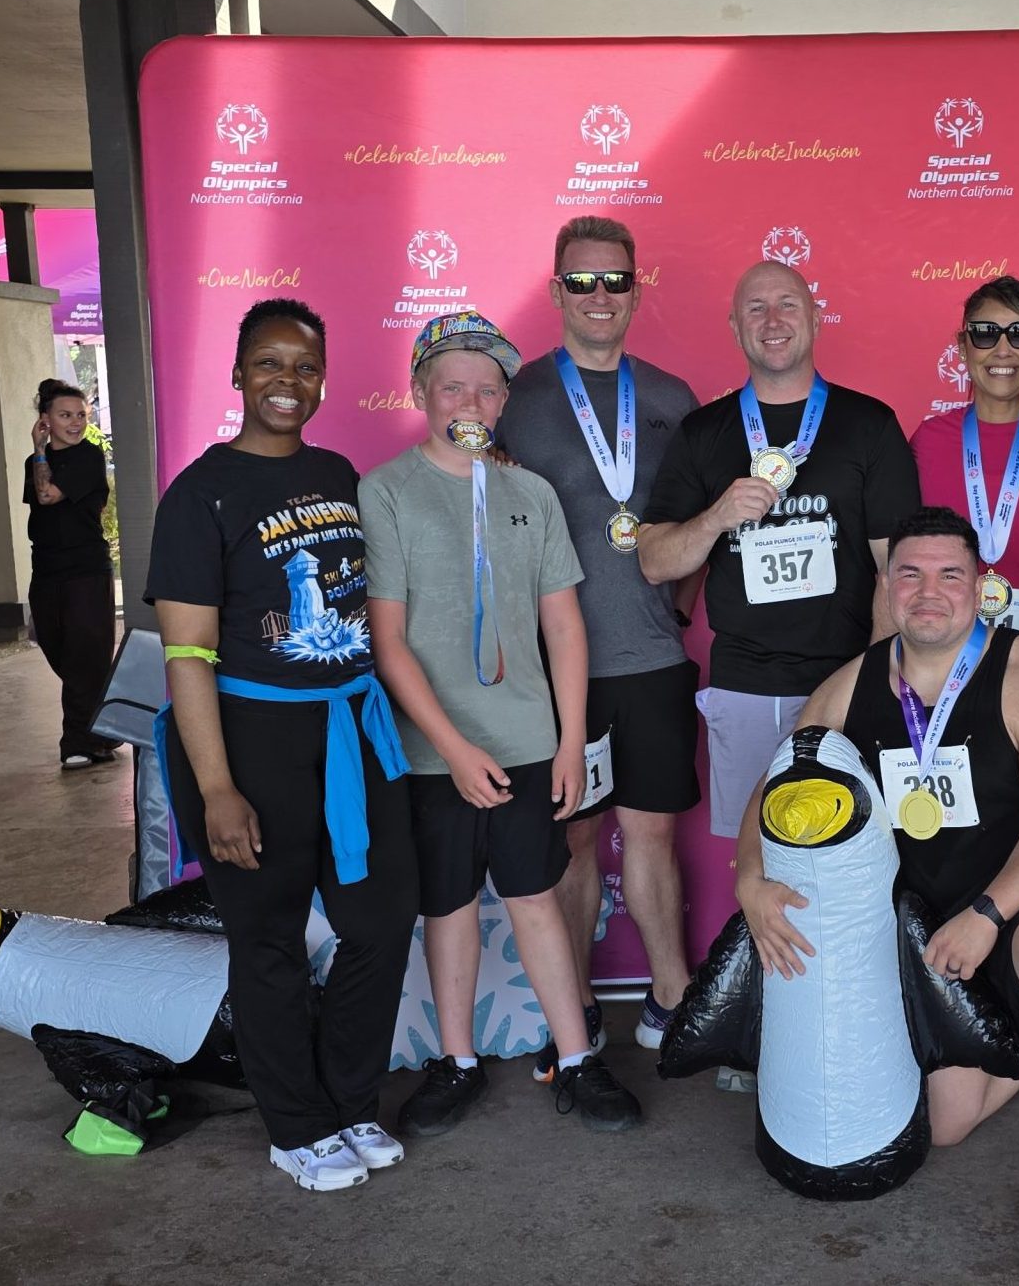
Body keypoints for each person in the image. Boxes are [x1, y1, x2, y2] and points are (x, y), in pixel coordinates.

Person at [737, 506, 1019, 1281]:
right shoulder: (848, 688)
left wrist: (989, 913)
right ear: (885, 587)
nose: (928, 591)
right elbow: (768, 793)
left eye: (950, 574)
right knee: (944, 1126)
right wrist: (750, 876)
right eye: (909, 573)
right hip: (924, 937)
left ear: (979, 586)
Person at [147, 297, 417, 1192]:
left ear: (323, 380)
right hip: (247, 736)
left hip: (351, 727)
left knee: (379, 920)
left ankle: (349, 1101)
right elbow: (186, 651)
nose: (287, 382)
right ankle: (295, 1126)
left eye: (304, 366)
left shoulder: (341, 472)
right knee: (265, 938)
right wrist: (217, 786)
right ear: (237, 374)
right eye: (269, 363)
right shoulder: (200, 493)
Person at [363, 310, 644, 1135]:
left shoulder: (533, 493)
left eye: (488, 388)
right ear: (419, 390)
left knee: (537, 898)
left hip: (527, 744)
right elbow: (389, 640)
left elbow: (564, 625)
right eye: (454, 384)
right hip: (430, 753)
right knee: (446, 906)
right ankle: (456, 1063)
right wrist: (450, 748)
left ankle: (579, 1058)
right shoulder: (386, 491)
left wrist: (567, 739)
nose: (472, 400)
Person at [495, 217, 702, 1065]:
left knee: (650, 835)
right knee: (575, 840)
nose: (600, 297)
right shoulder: (514, 397)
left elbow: (693, 530)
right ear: (555, 292)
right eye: (581, 282)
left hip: (652, 659)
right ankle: (572, 1014)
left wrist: (677, 612)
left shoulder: (674, 398)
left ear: (637, 289)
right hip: (554, 673)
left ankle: (671, 1000)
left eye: (615, 280)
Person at [638, 259, 921, 848]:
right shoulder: (703, 432)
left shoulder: (869, 425)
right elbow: (655, 561)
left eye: (788, 304)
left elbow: (895, 568)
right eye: (755, 308)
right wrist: (717, 515)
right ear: (735, 327)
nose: (773, 320)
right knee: (756, 863)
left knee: (854, 854)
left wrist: (869, 682)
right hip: (745, 686)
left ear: (815, 319)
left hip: (842, 678)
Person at [908, 277, 1019, 635]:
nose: (1002, 349)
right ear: (963, 347)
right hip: (944, 647)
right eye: (985, 333)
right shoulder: (928, 440)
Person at [23, 378, 119, 769]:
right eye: (65, 415)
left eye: (81, 415)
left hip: (85, 570)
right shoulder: (36, 464)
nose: (76, 422)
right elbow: (40, 505)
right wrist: (39, 452)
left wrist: (38, 448)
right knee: (54, 645)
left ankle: (76, 742)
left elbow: (48, 496)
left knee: (85, 654)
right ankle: (103, 728)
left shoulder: (89, 456)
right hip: (46, 569)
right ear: (46, 419)